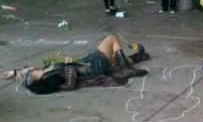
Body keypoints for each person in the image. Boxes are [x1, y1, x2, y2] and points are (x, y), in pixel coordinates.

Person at [2, 35, 150, 94]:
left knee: (114, 58)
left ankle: (138, 56)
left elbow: (25, 75)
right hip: (91, 65)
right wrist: (69, 63)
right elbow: (71, 80)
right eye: (24, 69)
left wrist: (14, 72)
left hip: (90, 66)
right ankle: (126, 69)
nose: (25, 66)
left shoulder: (46, 73)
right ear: (30, 72)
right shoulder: (50, 75)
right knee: (111, 39)